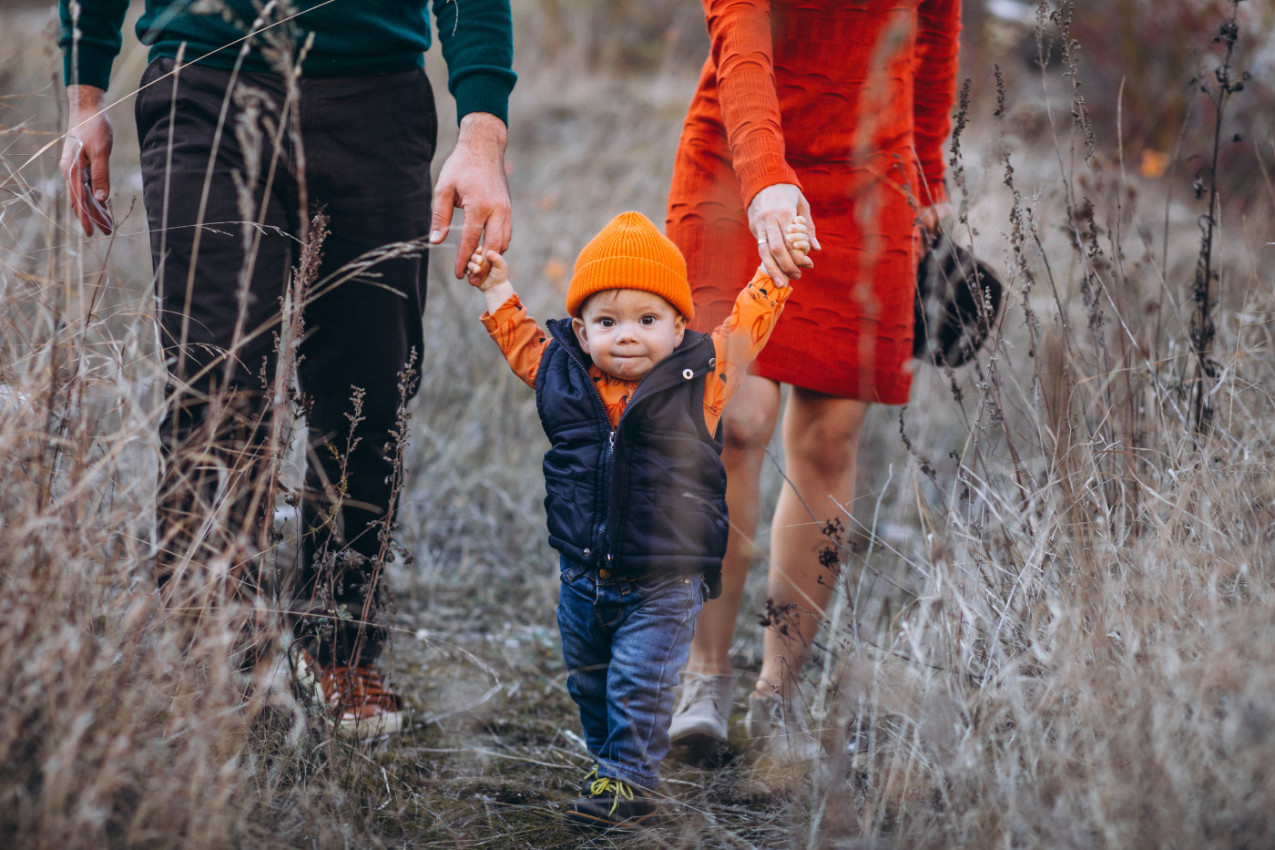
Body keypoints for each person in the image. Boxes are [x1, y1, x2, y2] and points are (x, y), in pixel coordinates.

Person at [57, 0, 516, 739]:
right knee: (215, 381)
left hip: (377, 96)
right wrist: (84, 97)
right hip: (206, 81)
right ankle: (211, 650)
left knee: (371, 387)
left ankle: (339, 644)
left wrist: (482, 132)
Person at [665, 0, 962, 763]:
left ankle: (778, 692)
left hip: (869, 171)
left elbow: (933, 32)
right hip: (736, 164)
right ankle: (704, 675)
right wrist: (766, 178)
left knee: (831, 438)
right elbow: (739, 37)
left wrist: (927, 172)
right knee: (732, 421)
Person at [466, 211, 810, 828]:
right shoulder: (562, 376)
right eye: (608, 322)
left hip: (664, 582)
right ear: (581, 330)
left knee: (638, 685)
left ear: (679, 327)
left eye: (647, 320)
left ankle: (628, 781)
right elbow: (520, 340)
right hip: (581, 577)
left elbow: (746, 327)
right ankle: (609, 766)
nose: (627, 336)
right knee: (590, 682)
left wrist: (775, 273)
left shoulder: (702, 381)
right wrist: (496, 287)